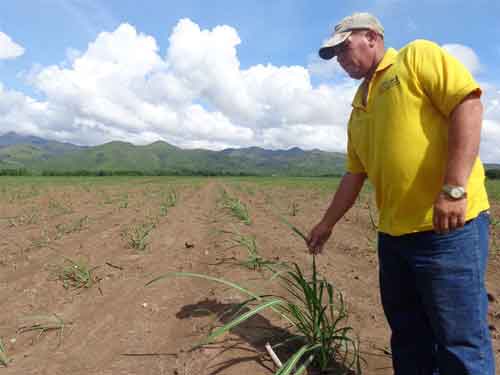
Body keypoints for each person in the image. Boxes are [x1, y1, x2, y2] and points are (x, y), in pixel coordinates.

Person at [307, 12, 495, 375]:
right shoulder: (358, 107)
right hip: (393, 238)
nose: (342, 61)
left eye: (345, 49)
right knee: (408, 337)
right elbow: (354, 174)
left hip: (447, 230)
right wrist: (327, 223)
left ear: (372, 37)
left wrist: (454, 189)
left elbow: (467, 104)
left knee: (460, 340)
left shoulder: (415, 57)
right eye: (336, 57)